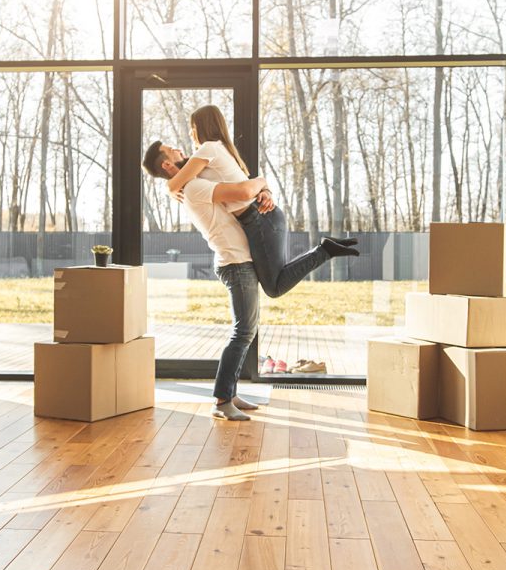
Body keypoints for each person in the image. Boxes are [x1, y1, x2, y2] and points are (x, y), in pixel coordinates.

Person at [142, 134, 358, 420]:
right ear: (168, 164)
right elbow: (242, 192)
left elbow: (239, 197)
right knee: (243, 331)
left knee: (248, 328)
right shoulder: (194, 187)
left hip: (239, 259)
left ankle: (229, 393)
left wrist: (264, 193)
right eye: (172, 150)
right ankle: (221, 401)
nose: (180, 148)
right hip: (235, 262)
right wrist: (260, 183)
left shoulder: (193, 183)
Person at [162, 104, 359, 298]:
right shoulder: (218, 150)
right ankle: (326, 249)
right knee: (275, 282)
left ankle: (325, 251)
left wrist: (170, 189)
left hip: (261, 219)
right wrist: (266, 189)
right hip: (260, 219)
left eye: (193, 127)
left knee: (274, 288)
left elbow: (174, 185)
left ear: (203, 128)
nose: (190, 133)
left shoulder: (208, 148)